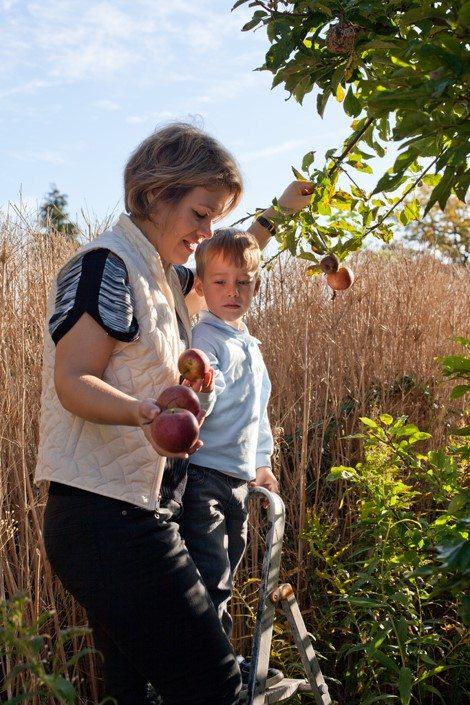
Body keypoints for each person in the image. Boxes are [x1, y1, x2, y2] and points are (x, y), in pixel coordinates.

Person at [35, 120, 313, 705]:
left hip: (138, 513)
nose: (207, 230)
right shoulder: (104, 268)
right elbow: (72, 381)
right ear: (156, 195)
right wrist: (146, 412)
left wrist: (283, 210)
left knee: (135, 692)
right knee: (215, 688)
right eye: (200, 214)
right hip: (105, 521)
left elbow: (231, 260)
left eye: (215, 217)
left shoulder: (159, 276)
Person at [177, 228, 281, 689]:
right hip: (203, 478)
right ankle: (210, 672)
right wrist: (202, 386)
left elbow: (257, 414)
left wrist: (262, 462)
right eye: (219, 282)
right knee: (210, 577)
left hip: (237, 480)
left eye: (242, 282)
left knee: (227, 572)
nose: (232, 292)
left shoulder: (250, 345)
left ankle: (214, 661)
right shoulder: (206, 338)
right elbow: (204, 397)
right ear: (200, 287)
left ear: (256, 287)